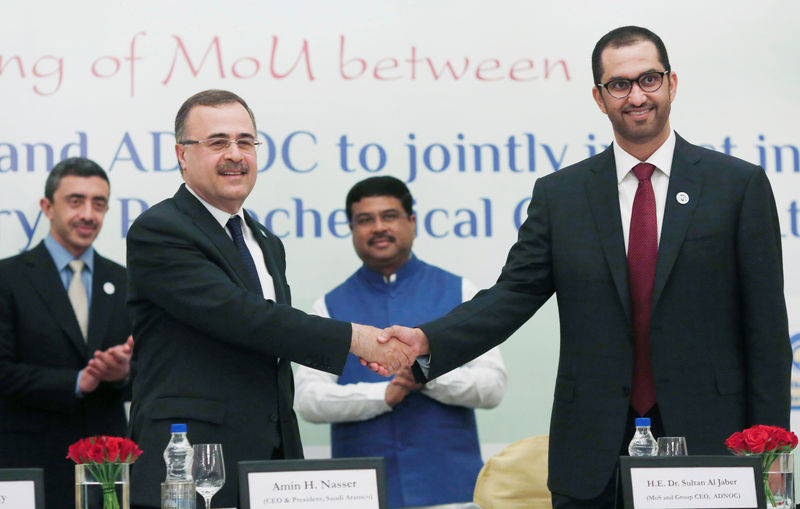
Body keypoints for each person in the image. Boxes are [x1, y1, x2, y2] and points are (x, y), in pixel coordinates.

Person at [378, 26, 791, 508]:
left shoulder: (736, 186)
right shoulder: (562, 195)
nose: (636, 95)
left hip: (709, 444)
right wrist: (429, 342)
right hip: (592, 450)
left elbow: (766, 331)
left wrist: (772, 457)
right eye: (619, 84)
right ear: (600, 98)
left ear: (672, 84)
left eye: (649, 79)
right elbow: (511, 296)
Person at [125, 89, 413, 508]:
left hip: (268, 467)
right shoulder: (160, 230)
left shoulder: (264, 241)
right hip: (189, 467)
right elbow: (242, 317)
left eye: (246, 141)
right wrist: (354, 338)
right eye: (218, 142)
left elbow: (273, 337)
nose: (235, 154)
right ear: (182, 155)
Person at [295, 176, 507, 509]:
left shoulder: (460, 293)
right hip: (360, 493)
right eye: (365, 220)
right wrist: (382, 394)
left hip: (450, 492)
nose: (378, 227)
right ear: (352, 229)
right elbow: (309, 400)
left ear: (412, 222)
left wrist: (426, 374)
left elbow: (492, 386)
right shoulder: (327, 307)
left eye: (389, 216)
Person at [0, 157, 134, 509]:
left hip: (107, 469)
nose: (88, 214)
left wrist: (124, 373)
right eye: (75, 201)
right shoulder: (8, 279)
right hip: (31, 463)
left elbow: (151, 376)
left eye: (99, 203)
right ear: (48, 207)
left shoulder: (125, 282)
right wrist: (76, 381)